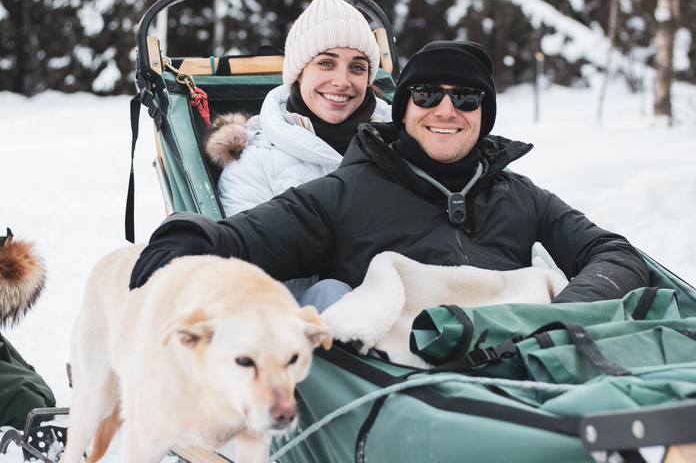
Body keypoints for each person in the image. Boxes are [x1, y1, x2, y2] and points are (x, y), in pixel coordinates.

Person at [131, 41, 649, 306]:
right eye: (426, 95)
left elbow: (615, 255)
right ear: (402, 110)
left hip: (525, 362)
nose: (446, 110)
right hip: (404, 381)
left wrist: (560, 317)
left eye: (466, 98)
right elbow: (254, 234)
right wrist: (188, 238)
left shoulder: (518, 194)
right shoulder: (348, 190)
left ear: (484, 115)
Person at [208, 0, 390, 217]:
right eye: (326, 63)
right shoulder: (254, 164)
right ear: (298, 73)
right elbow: (249, 249)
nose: (342, 81)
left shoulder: (403, 142)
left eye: (357, 67)